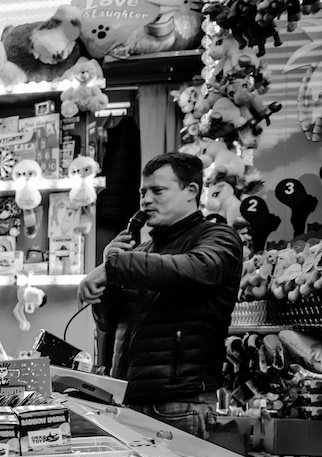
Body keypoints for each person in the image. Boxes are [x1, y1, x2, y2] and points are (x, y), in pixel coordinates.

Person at [78, 151, 243, 438]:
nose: (146, 200)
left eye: (158, 190)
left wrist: (114, 267)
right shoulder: (139, 253)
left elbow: (198, 267)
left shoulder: (218, 238)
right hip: (128, 401)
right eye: (143, 192)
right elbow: (109, 323)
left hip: (180, 404)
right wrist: (106, 286)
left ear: (191, 191)